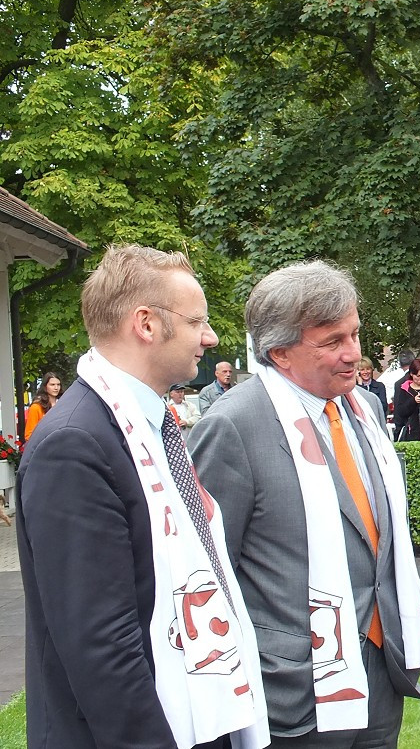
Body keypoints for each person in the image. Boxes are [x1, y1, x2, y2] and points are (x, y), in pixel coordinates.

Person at [17, 245, 268, 749]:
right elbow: (101, 647)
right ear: (146, 324)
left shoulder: (148, 427)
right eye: (197, 320)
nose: (210, 337)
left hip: (197, 716)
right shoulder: (75, 444)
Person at [188, 260, 420, 748]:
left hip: (380, 668)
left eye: (355, 334)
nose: (353, 354)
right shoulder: (233, 425)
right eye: (332, 342)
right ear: (280, 353)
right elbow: (208, 571)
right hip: (294, 688)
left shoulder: (363, 408)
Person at [23, 372, 62, 440]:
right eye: (52, 385)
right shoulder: (36, 407)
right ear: (45, 386)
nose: (56, 388)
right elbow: (29, 435)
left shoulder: (63, 404)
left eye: (58, 385)